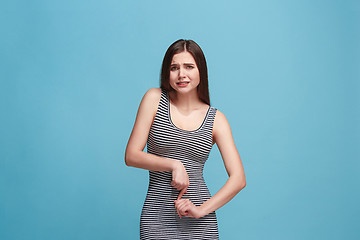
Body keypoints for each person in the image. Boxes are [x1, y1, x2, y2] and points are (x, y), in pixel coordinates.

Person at [125, 39, 246, 239]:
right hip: (157, 218)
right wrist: (174, 165)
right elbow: (131, 155)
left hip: (199, 221)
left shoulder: (216, 120)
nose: (182, 74)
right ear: (167, 72)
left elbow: (239, 179)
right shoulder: (154, 99)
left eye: (189, 66)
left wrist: (202, 210)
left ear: (201, 71)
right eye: (174, 68)